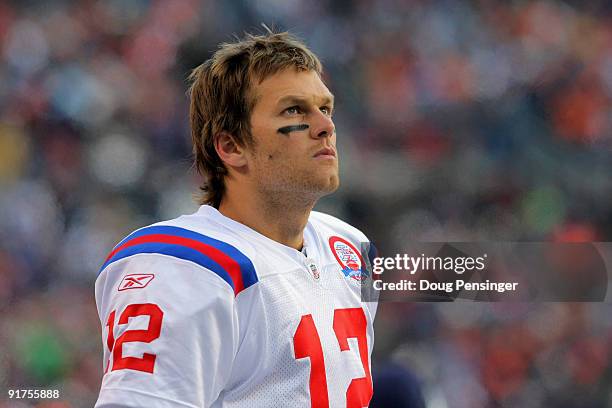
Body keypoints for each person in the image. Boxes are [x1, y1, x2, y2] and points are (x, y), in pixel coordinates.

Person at [94, 30, 377, 408]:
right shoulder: (180, 265)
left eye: (325, 108)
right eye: (293, 110)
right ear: (231, 146)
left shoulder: (350, 247)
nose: (325, 126)